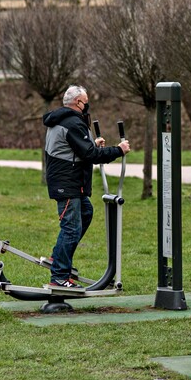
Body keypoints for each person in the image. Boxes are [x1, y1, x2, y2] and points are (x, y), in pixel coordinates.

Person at [43, 85, 131, 289]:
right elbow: (90, 156)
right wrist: (118, 150)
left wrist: (92, 143)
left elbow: (78, 149)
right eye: (86, 100)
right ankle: (59, 277)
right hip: (67, 183)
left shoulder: (62, 119)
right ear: (78, 103)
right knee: (71, 229)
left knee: (86, 212)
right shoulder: (73, 123)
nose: (88, 104)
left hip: (70, 182)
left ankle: (58, 258)